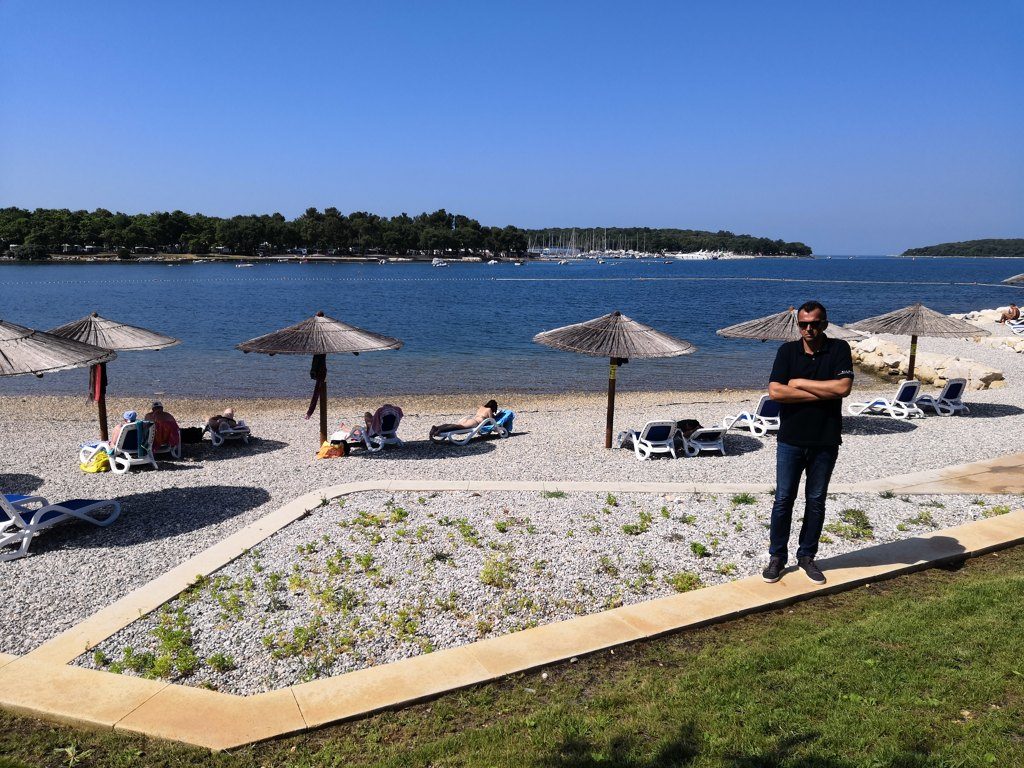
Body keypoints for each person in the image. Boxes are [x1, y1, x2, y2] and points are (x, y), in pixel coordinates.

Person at [763, 301, 854, 586]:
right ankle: (777, 557)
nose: (809, 328)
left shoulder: (839, 349)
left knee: (815, 502)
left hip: (825, 440)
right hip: (790, 440)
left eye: (814, 323)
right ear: (798, 325)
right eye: (803, 324)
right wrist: (823, 394)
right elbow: (776, 392)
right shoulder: (786, 351)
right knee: (783, 501)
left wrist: (800, 382)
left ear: (825, 323)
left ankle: (807, 557)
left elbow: (843, 388)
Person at [429, 399, 498, 439]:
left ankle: (436, 427)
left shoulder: (481, 407)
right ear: (493, 407)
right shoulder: (489, 410)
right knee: (457, 427)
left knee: (456, 425)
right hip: (474, 422)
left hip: (469, 419)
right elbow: (492, 421)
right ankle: (440, 430)